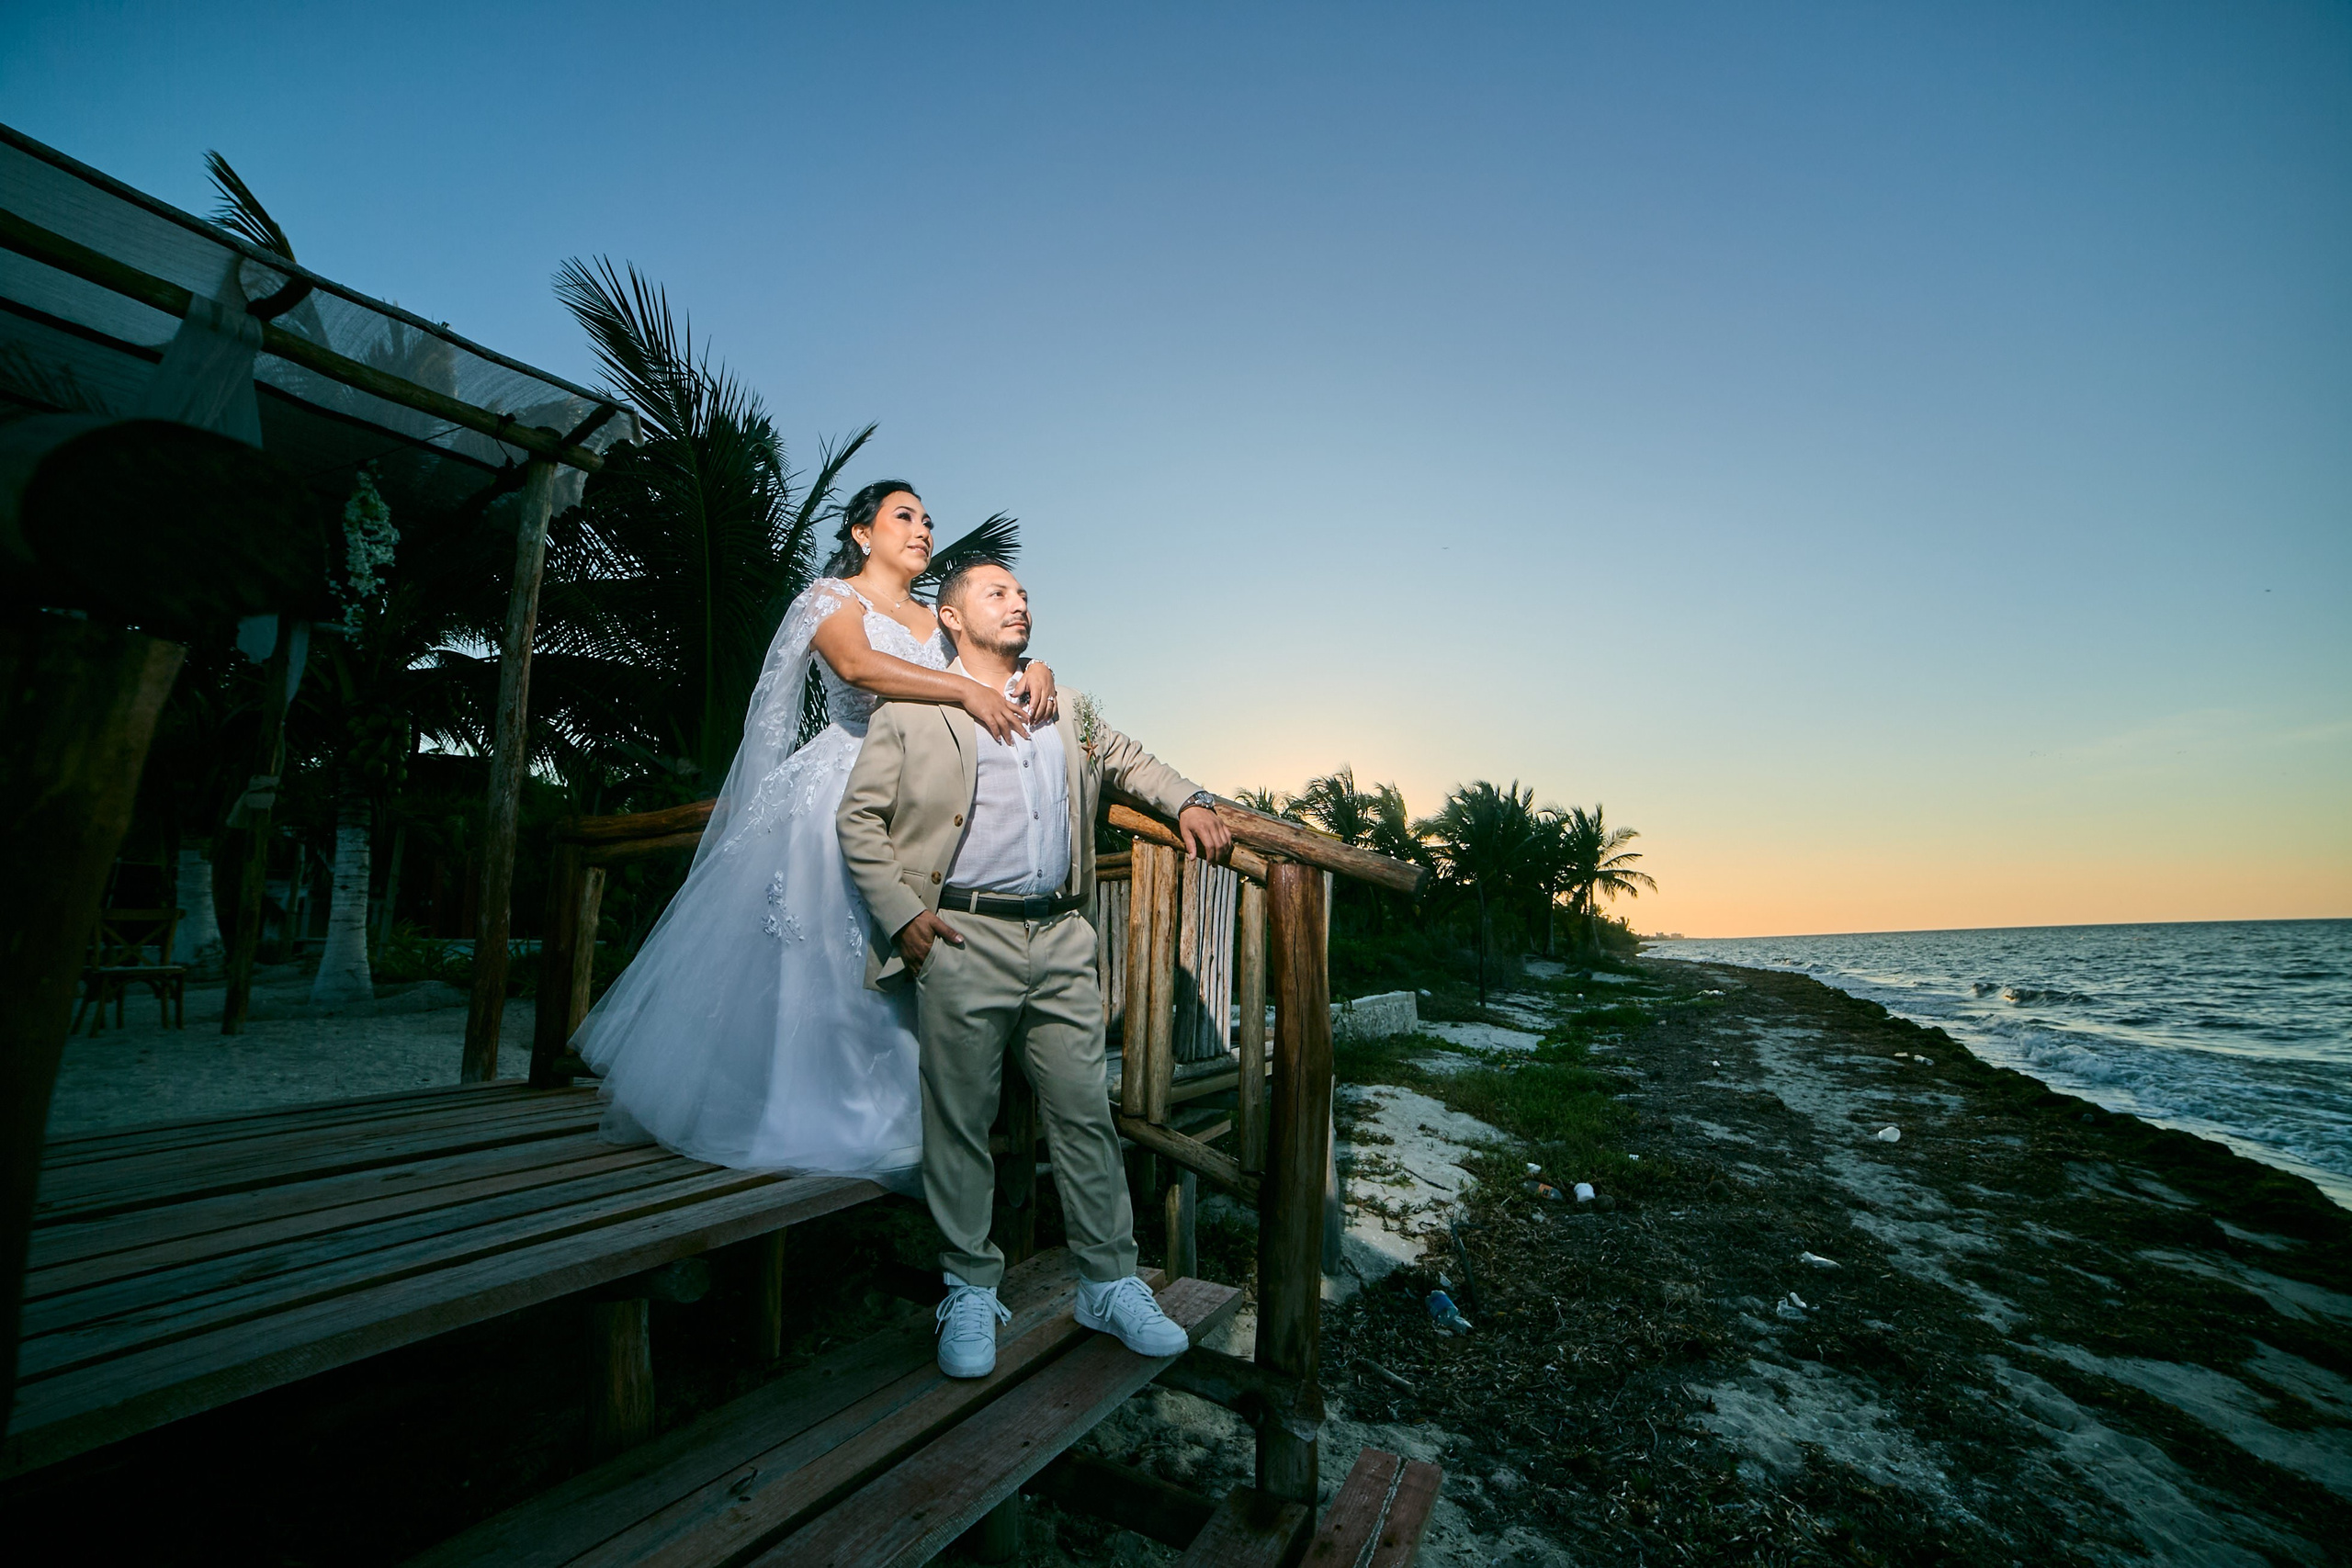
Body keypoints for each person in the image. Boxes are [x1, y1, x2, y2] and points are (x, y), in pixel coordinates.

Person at [573, 482, 1056, 1190]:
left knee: (899, 953)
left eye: (927, 520)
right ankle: (810, 1110)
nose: (921, 529)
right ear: (863, 533)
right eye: (904, 516)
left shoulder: (935, 618)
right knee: (827, 953)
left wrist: (1035, 667)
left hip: (916, 792)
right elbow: (859, 668)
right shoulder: (831, 598)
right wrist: (959, 690)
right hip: (838, 784)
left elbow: (991, 663)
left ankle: (902, 1115)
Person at [836, 558, 1235, 1376]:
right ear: (951, 617)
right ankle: (971, 1289)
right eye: (997, 592)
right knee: (959, 1120)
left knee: (1084, 1111)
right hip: (960, 936)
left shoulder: (1067, 705)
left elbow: (1130, 761)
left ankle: (1109, 1281)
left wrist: (1192, 800)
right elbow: (859, 820)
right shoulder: (912, 708)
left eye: (1022, 593)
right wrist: (904, 915)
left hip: (1060, 938)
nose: (1018, 602)